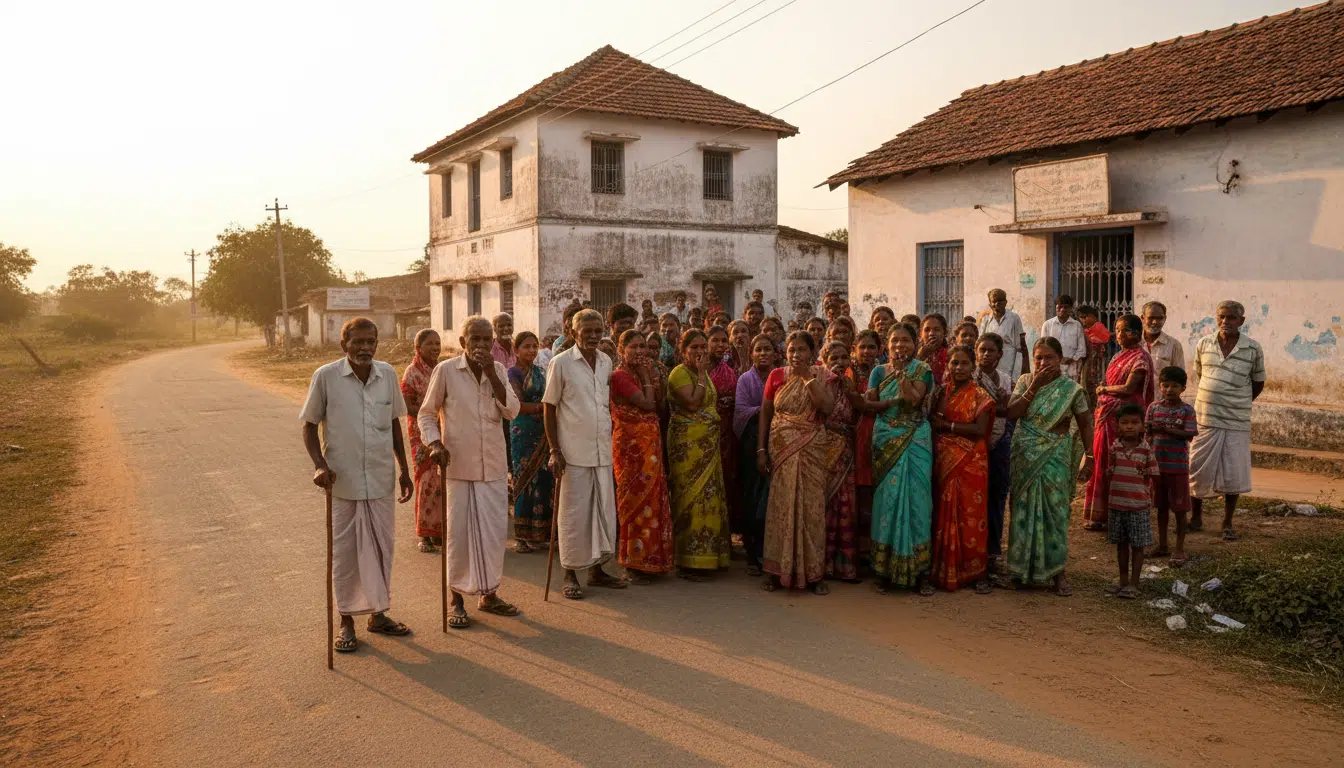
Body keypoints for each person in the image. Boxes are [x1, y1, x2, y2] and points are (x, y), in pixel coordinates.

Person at [301, 318, 414, 653]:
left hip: (380, 479)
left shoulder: (387, 375)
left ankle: (379, 614)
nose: (365, 348)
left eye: (371, 342)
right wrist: (319, 466)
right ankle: (346, 621)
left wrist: (404, 469)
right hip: (343, 481)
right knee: (346, 555)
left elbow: (394, 423)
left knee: (381, 550)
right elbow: (309, 427)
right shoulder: (326, 377)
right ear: (344, 344)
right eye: (358, 342)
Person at [418, 316, 522, 628]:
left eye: (485, 339)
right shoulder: (447, 371)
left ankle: (489, 594)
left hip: (491, 465)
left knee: (493, 535)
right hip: (458, 465)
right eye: (473, 339)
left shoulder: (499, 370)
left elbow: (512, 410)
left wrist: (492, 372)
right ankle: (457, 599)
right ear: (463, 343)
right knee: (459, 535)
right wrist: (435, 443)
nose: (480, 345)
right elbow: (426, 414)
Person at [543, 309, 626, 600]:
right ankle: (569, 574)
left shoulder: (605, 362)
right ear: (572, 331)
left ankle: (597, 571)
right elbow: (549, 407)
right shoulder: (561, 363)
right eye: (586, 331)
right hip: (573, 452)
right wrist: (555, 449)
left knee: (601, 512)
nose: (592, 336)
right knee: (574, 514)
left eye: (597, 330)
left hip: (602, 450)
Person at [1004, 337, 1095, 596]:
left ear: (1060, 359)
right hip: (1025, 453)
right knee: (1022, 510)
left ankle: (1057, 573)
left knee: (1055, 511)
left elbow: (1086, 423)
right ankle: (1021, 571)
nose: (1043, 363)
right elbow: (1012, 413)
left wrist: (1090, 456)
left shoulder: (1072, 389)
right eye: (1038, 358)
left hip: (1056, 453)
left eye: (1049, 358)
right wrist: (1034, 385)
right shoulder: (1024, 382)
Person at [759, 331, 837, 593]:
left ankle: (814, 574)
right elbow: (766, 413)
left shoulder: (823, 376)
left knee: (812, 509)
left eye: (802, 350)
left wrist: (806, 378)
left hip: (812, 449)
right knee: (781, 507)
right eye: (792, 350)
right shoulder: (776, 375)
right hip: (781, 449)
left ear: (813, 353)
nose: (796, 354)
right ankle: (776, 571)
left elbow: (826, 408)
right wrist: (761, 449)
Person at [867, 323, 935, 595]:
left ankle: (920, 572)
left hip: (915, 439)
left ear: (915, 343)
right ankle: (883, 570)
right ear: (887, 345)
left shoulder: (922, 370)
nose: (900, 346)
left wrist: (901, 375)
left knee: (918, 503)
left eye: (906, 340)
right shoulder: (877, 371)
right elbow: (868, 402)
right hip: (885, 438)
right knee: (887, 502)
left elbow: (913, 401)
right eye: (895, 341)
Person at [1189, 300, 1266, 540]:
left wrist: (1236, 401)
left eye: (1231, 317)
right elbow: (1200, 373)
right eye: (1221, 316)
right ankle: (1196, 517)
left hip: (1236, 420)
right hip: (1205, 417)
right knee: (1197, 468)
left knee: (1234, 473)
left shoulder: (1253, 348)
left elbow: (1258, 382)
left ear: (1241, 321)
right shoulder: (1204, 343)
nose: (1225, 321)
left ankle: (1227, 521)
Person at [928, 345, 995, 594]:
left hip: (971, 462)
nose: (958, 368)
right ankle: (944, 569)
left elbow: (979, 430)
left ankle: (975, 572)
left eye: (964, 363)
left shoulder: (980, 395)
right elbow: (933, 422)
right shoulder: (941, 393)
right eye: (954, 363)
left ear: (973, 365)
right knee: (944, 511)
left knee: (972, 515)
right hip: (945, 458)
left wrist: (948, 426)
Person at [610, 330, 675, 580]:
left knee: (653, 499)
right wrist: (648, 375)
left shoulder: (643, 374)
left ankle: (652, 559)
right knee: (633, 500)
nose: (640, 351)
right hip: (630, 448)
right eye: (634, 347)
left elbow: (658, 403)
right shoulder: (619, 376)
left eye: (643, 347)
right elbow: (647, 404)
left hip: (650, 446)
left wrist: (648, 376)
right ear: (621, 349)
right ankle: (633, 562)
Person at [667, 329, 731, 579]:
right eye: (693, 347)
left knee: (711, 498)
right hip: (688, 448)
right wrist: (703, 373)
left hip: (708, 446)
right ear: (683, 351)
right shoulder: (679, 374)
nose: (699, 351)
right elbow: (693, 403)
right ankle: (688, 560)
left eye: (702, 347)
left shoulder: (701, 374)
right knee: (689, 499)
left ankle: (710, 556)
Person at [1084, 314, 1154, 531]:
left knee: (1121, 465)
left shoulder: (1140, 358)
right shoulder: (1118, 357)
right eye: (1118, 329)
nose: (1120, 334)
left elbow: (1128, 389)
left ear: (1136, 332)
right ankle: (1100, 515)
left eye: (1124, 330)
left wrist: (1103, 390)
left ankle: (1122, 515)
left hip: (1126, 421)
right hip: (1106, 418)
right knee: (1103, 462)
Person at [1103, 403, 1159, 600]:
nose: (1129, 426)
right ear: (1117, 426)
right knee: (1121, 544)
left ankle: (1134, 583)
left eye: (1134, 423)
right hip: (1117, 504)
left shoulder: (1145, 450)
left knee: (1137, 546)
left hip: (1138, 506)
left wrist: (1146, 488)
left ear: (1142, 426)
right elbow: (1110, 470)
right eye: (1124, 422)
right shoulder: (1115, 447)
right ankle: (1122, 580)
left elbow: (1153, 474)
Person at [507, 332, 554, 553]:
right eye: (526, 347)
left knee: (544, 480)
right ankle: (521, 537)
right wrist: (543, 408)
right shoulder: (512, 373)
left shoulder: (541, 372)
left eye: (535, 346)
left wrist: (543, 409)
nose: (532, 351)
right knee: (523, 481)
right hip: (522, 432)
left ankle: (540, 533)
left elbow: (549, 396)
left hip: (542, 431)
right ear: (516, 350)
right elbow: (517, 404)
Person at [400, 329, 445, 553]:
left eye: (437, 343)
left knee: (441, 481)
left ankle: (438, 530)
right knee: (426, 479)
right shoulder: (411, 372)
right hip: (420, 432)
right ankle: (424, 534)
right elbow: (406, 405)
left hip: (442, 430)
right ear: (418, 348)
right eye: (430, 344)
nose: (435, 347)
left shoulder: (442, 369)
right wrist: (429, 415)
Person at [1147, 367, 1197, 565]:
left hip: (1178, 467)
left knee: (1180, 508)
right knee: (1161, 507)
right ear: (1160, 386)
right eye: (1166, 385)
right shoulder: (1153, 408)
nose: (1169, 390)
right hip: (1158, 466)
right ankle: (1162, 545)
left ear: (1183, 388)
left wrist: (1167, 429)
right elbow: (1147, 433)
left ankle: (1179, 548)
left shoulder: (1187, 410)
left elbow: (1190, 434)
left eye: (1174, 386)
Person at [735, 334, 776, 576]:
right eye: (758, 349)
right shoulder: (745, 380)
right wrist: (767, 409)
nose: (763, 354)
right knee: (753, 497)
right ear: (751, 354)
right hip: (752, 444)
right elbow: (740, 411)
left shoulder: (782, 376)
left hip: (779, 442)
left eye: (767, 349)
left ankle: (771, 553)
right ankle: (753, 553)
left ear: (775, 353)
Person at [973, 333, 1014, 571]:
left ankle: (993, 551)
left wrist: (1001, 404)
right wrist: (999, 406)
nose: (986, 354)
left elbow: (1007, 411)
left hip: (999, 443)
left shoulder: (1005, 380)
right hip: (973, 444)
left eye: (991, 351)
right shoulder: (968, 377)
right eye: (982, 350)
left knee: (997, 497)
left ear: (1000, 354)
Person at [821, 340, 859, 582]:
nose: (839, 362)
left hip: (846, 452)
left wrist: (850, 390)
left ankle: (844, 567)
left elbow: (860, 411)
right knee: (824, 507)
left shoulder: (850, 383)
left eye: (844, 357)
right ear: (824, 359)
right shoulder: (819, 382)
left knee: (845, 505)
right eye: (834, 358)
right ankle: (822, 565)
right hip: (824, 451)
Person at [849, 329, 881, 567]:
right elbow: (857, 404)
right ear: (855, 349)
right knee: (857, 494)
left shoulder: (884, 372)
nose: (867, 352)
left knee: (875, 493)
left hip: (880, 435)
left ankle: (873, 550)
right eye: (863, 347)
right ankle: (857, 552)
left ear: (879, 350)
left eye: (872, 347)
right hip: (853, 436)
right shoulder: (847, 372)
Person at [707, 326, 740, 539]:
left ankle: (723, 538)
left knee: (726, 484)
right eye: (716, 341)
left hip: (727, 434)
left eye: (724, 341)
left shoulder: (728, 371)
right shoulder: (697, 371)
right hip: (704, 434)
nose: (721, 345)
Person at [979, 289, 1030, 380]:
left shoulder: (1014, 318)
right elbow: (980, 343)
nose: (997, 304)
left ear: (1005, 302)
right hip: (990, 362)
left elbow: (1021, 346)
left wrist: (1022, 369)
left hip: (1009, 363)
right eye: (994, 301)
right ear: (990, 304)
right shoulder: (986, 320)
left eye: (1000, 301)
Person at [1041, 295, 1085, 382]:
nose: (1062, 309)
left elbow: (1082, 350)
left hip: (1071, 371)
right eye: (1059, 307)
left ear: (1071, 309)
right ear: (1055, 307)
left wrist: (1071, 359)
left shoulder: (1077, 325)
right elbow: (1042, 349)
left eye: (1066, 307)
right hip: (1052, 369)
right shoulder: (1047, 325)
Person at [1140, 300, 1186, 374]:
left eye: (1160, 318)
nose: (1155, 322)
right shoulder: (1134, 343)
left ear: (1165, 319)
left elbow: (1179, 377)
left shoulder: (1174, 345)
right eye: (1151, 318)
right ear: (1143, 318)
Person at [1078, 305, 1110, 411]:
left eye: (1085, 317)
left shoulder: (1099, 328)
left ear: (1094, 317)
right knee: (1088, 386)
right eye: (1081, 317)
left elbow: (1104, 340)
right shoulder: (1084, 331)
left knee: (1097, 386)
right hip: (1088, 364)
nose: (1083, 320)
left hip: (1098, 363)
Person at [918, 313, 950, 383]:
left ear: (945, 333)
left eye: (936, 329)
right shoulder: (912, 354)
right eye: (927, 330)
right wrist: (921, 356)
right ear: (921, 334)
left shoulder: (951, 355)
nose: (931, 333)